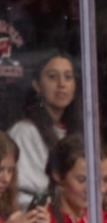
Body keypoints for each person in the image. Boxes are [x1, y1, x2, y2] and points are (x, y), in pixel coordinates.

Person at [8, 52, 75, 211]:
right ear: (37, 85)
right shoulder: (24, 132)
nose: (62, 84)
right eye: (52, 77)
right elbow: (20, 193)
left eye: (68, 77)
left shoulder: (82, 131)